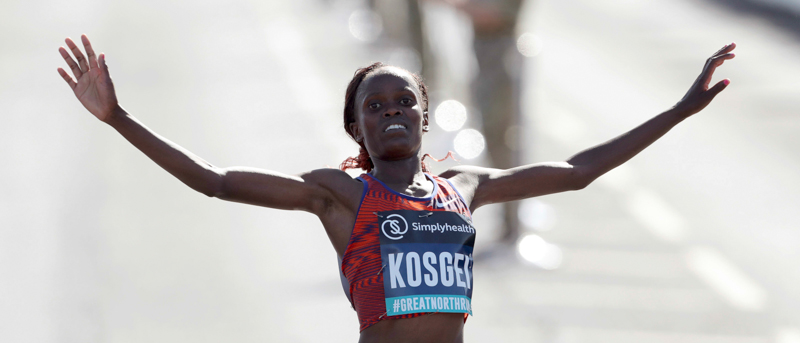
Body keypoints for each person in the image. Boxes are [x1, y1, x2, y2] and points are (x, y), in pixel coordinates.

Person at [57, 34, 735, 343]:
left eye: (402, 102)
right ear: (355, 125)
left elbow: (579, 171)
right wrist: (118, 118)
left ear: (425, 111)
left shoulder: (463, 187)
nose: (390, 113)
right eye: (374, 107)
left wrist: (678, 110)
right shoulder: (339, 195)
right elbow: (215, 182)